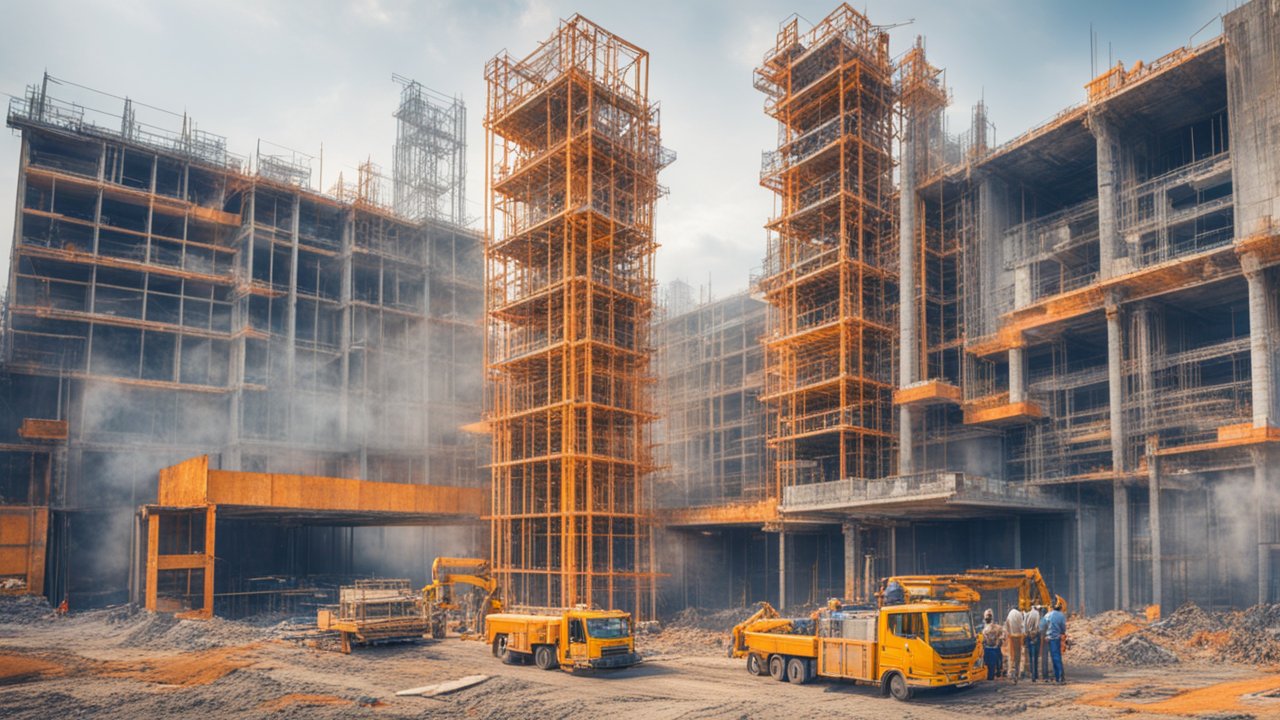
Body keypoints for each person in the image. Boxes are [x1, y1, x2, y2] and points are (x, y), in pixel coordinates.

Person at [1043, 601, 1067, 684]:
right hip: (1057, 638)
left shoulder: (1048, 615)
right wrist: (1062, 633)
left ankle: (1059, 677)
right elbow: (1063, 628)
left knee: (1054, 658)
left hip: (1050, 639)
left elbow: (1042, 625)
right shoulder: (1061, 616)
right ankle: (1059, 677)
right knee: (1057, 657)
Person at [981, 609, 1004, 681]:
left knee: (987, 665)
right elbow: (1003, 636)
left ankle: (992, 675)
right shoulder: (997, 627)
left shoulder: (984, 629)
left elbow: (982, 640)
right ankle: (997, 672)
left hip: (988, 649)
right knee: (994, 663)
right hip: (994, 648)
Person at [1005, 605, 1026, 683]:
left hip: (1011, 637)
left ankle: (1011, 673)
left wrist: (1009, 634)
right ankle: (1017, 673)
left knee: (1011, 656)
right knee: (1018, 656)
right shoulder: (1019, 614)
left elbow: (1007, 626)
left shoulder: (1009, 614)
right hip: (1018, 637)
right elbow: (1022, 626)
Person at [1024, 603, 1042, 682]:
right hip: (1036, 636)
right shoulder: (1037, 613)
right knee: (1036, 656)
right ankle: (1036, 674)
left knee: (1031, 656)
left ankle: (1032, 673)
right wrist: (1036, 633)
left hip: (1028, 636)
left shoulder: (1027, 614)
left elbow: (1024, 626)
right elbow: (1038, 625)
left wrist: (1028, 634)